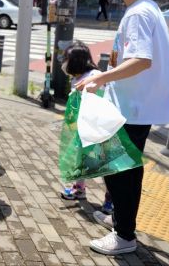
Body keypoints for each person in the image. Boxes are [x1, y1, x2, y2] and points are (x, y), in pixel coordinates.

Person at [75, 0, 169, 255]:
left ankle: (124, 235)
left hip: (132, 109)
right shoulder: (147, 8)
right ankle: (120, 219)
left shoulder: (138, 14)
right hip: (134, 106)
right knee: (123, 169)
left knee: (122, 172)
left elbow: (141, 60)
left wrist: (98, 79)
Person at [59, 40, 113, 215]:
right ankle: (79, 189)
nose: (64, 63)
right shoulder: (79, 76)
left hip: (99, 129)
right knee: (80, 159)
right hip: (84, 128)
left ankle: (111, 200)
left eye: (66, 59)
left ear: (75, 61)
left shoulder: (93, 77)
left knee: (105, 165)